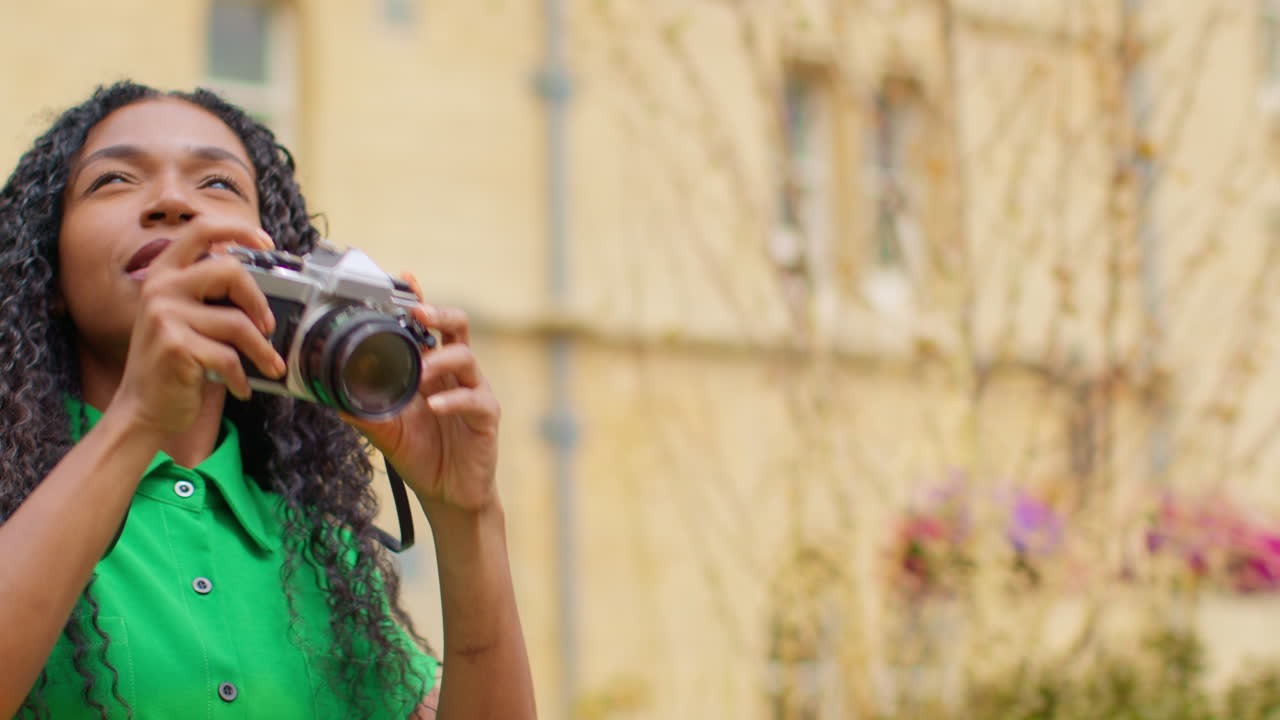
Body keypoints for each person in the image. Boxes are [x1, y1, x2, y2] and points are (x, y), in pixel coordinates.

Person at [0, 81, 536, 719]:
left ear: (272, 265)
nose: (173, 201)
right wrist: (139, 418)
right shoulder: (19, 510)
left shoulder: (324, 560)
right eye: (114, 179)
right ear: (48, 276)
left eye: (219, 185)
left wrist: (467, 516)